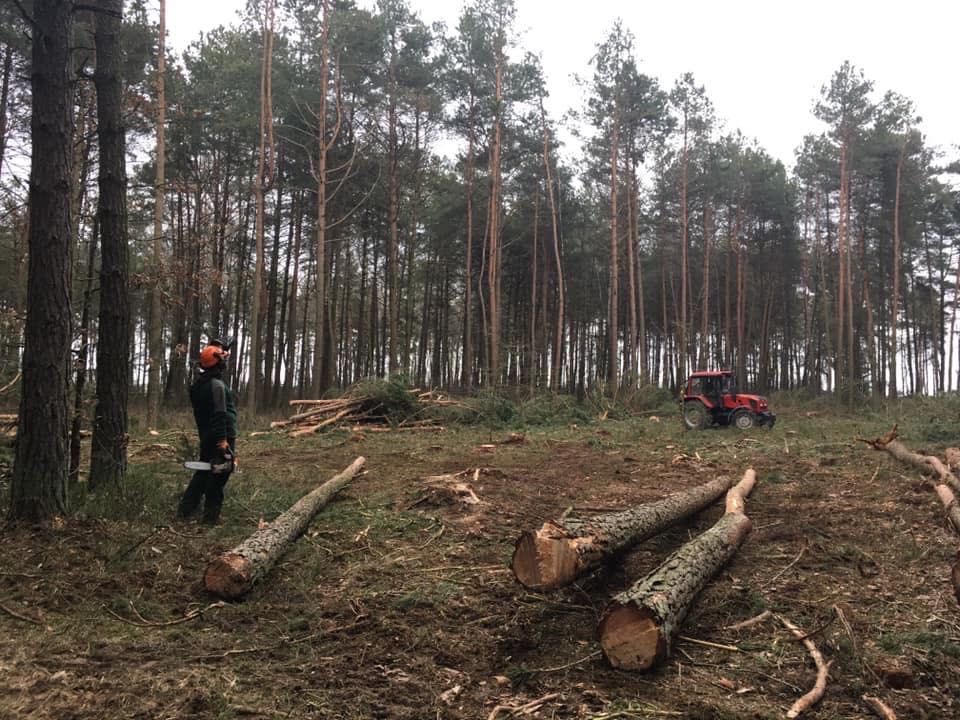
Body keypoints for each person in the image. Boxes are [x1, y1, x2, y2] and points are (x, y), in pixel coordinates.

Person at [177, 339, 238, 524]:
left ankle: (185, 511)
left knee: (203, 473)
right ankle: (210, 518)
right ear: (218, 364)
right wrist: (223, 440)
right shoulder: (217, 386)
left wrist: (219, 350)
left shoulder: (199, 385)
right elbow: (219, 413)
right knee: (220, 474)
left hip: (207, 435)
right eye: (222, 360)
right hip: (221, 436)